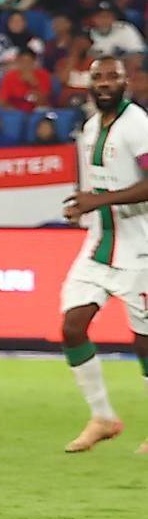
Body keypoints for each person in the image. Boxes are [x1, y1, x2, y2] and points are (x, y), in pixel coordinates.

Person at [60, 57, 148, 455]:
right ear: (89, 83)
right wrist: (82, 207)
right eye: (98, 77)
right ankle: (103, 417)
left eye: (113, 76)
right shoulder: (91, 127)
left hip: (140, 251)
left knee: (144, 345)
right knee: (72, 326)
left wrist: (100, 200)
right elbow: (95, 185)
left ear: (126, 82)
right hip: (100, 246)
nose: (105, 83)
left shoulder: (137, 124)